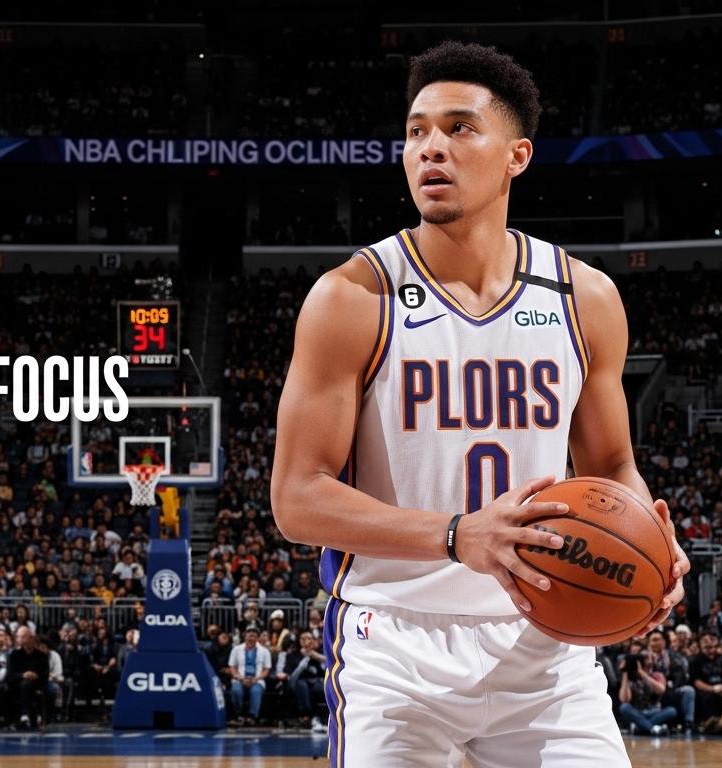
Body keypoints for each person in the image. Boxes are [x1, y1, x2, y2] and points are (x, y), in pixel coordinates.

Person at [270, 41, 689, 766]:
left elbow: (614, 464)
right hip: (395, 641)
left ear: (516, 156)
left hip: (544, 643)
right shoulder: (351, 298)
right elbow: (296, 499)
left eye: (459, 128)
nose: (431, 147)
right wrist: (460, 534)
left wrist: (652, 544)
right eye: (416, 132)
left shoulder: (584, 298)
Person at [617, 640, 674, 735]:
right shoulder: (631, 678)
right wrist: (625, 671)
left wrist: (643, 674)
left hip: (655, 712)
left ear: (652, 660)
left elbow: (661, 690)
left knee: (671, 711)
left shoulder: (657, 675)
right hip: (637, 712)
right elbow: (624, 699)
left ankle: (640, 727)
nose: (645, 660)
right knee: (624, 707)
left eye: (648, 657)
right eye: (642, 658)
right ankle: (652, 728)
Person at [689, 633, 722, 735]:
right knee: (706, 695)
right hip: (706, 689)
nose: (711, 651)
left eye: (713, 647)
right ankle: (711, 721)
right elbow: (696, 681)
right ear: (701, 647)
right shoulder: (696, 660)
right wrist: (713, 688)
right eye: (708, 648)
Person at [228, 627, 271, 725]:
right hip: (240, 678)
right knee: (236, 690)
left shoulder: (264, 651)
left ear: (258, 638)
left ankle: (252, 716)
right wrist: (239, 677)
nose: (251, 638)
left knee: (256, 691)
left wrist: (256, 679)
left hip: (257, 679)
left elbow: (266, 669)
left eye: (254, 636)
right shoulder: (236, 649)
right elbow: (232, 666)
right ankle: (239, 715)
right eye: (249, 636)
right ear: (244, 636)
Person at [6, 631, 48, 730]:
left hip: (36, 683)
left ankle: (25, 715)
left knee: (26, 685)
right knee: (19, 686)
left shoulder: (42, 656)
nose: (29, 642)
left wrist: (35, 675)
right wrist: (23, 675)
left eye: (31, 640)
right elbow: (11, 674)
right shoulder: (15, 655)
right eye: (27, 639)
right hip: (17, 682)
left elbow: (45, 675)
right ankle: (12, 718)